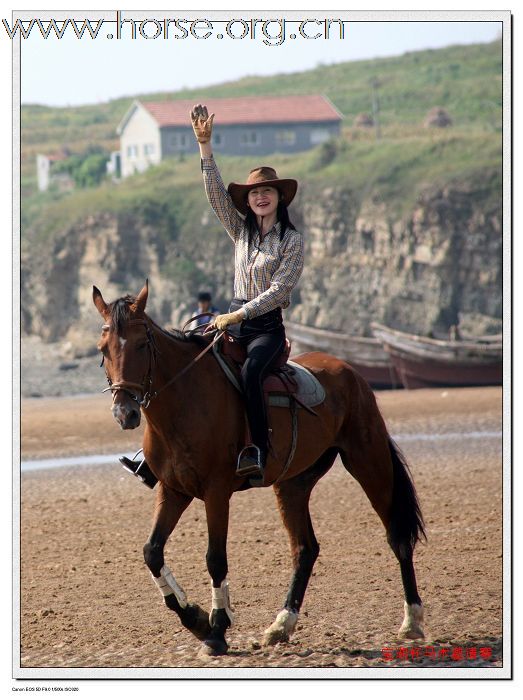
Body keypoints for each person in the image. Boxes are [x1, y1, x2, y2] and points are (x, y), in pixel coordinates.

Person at [190, 103, 305, 481]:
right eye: (255, 192)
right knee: (187, 355)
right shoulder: (240, 231)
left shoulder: (291, 240)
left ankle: (257, 447)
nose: (260, 197)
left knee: (252, 370)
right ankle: (163, 451)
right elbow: (215, 197)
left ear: (279, 197)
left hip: (266, 328)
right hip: (233, 319)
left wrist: (239, 315)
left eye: (267, 191)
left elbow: (279, 290)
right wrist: (205, 147)